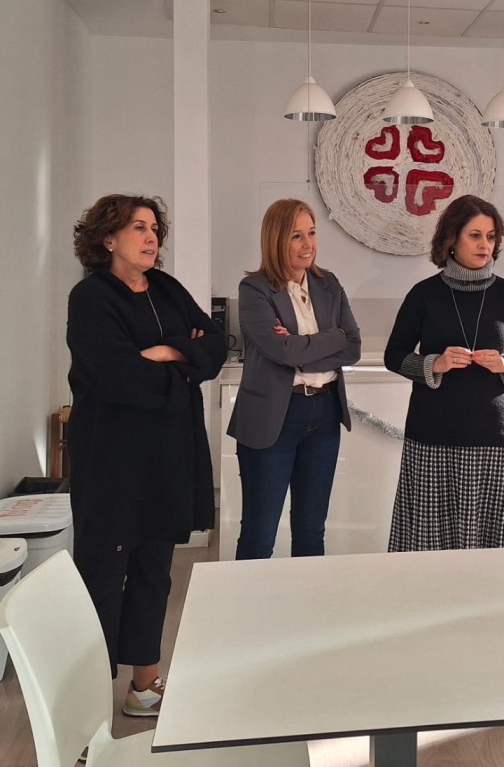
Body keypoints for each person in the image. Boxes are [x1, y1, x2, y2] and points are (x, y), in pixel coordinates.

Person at [67, 194, 226, 717]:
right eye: (138, 227)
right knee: (104, 572)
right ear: (107, 238)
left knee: (157, 568)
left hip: (168, 454)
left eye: (155, 227)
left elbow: (216, 346)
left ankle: (144, 685)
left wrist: (172, 351)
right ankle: (88, 700)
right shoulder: (91, 298)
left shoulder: (167, 288)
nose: (152, 236)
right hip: (112, 457)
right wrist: (186, 362)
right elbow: (117, 377)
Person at [384, 194, 504, 551]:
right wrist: (434, 364)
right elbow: (394, 355)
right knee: (430, 546)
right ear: (451, 239)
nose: (485, 245)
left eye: (490, 237)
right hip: (433, 436)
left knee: (498, 547)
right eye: (475, 235)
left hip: (497, 436)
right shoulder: (424, 295)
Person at [228, 199, 361, 560]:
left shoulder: (328, 283)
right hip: (274, 416)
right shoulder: (254, 288)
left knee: (311, 530)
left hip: (324, 411)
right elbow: (282, 352)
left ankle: (306, 610)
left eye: (312, 233)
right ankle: (253, 613)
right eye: (296, 236)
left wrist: (301, 343)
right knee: (259, 534)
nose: (308, 244)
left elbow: (352, 346)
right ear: (276, 240)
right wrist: (327, 337)